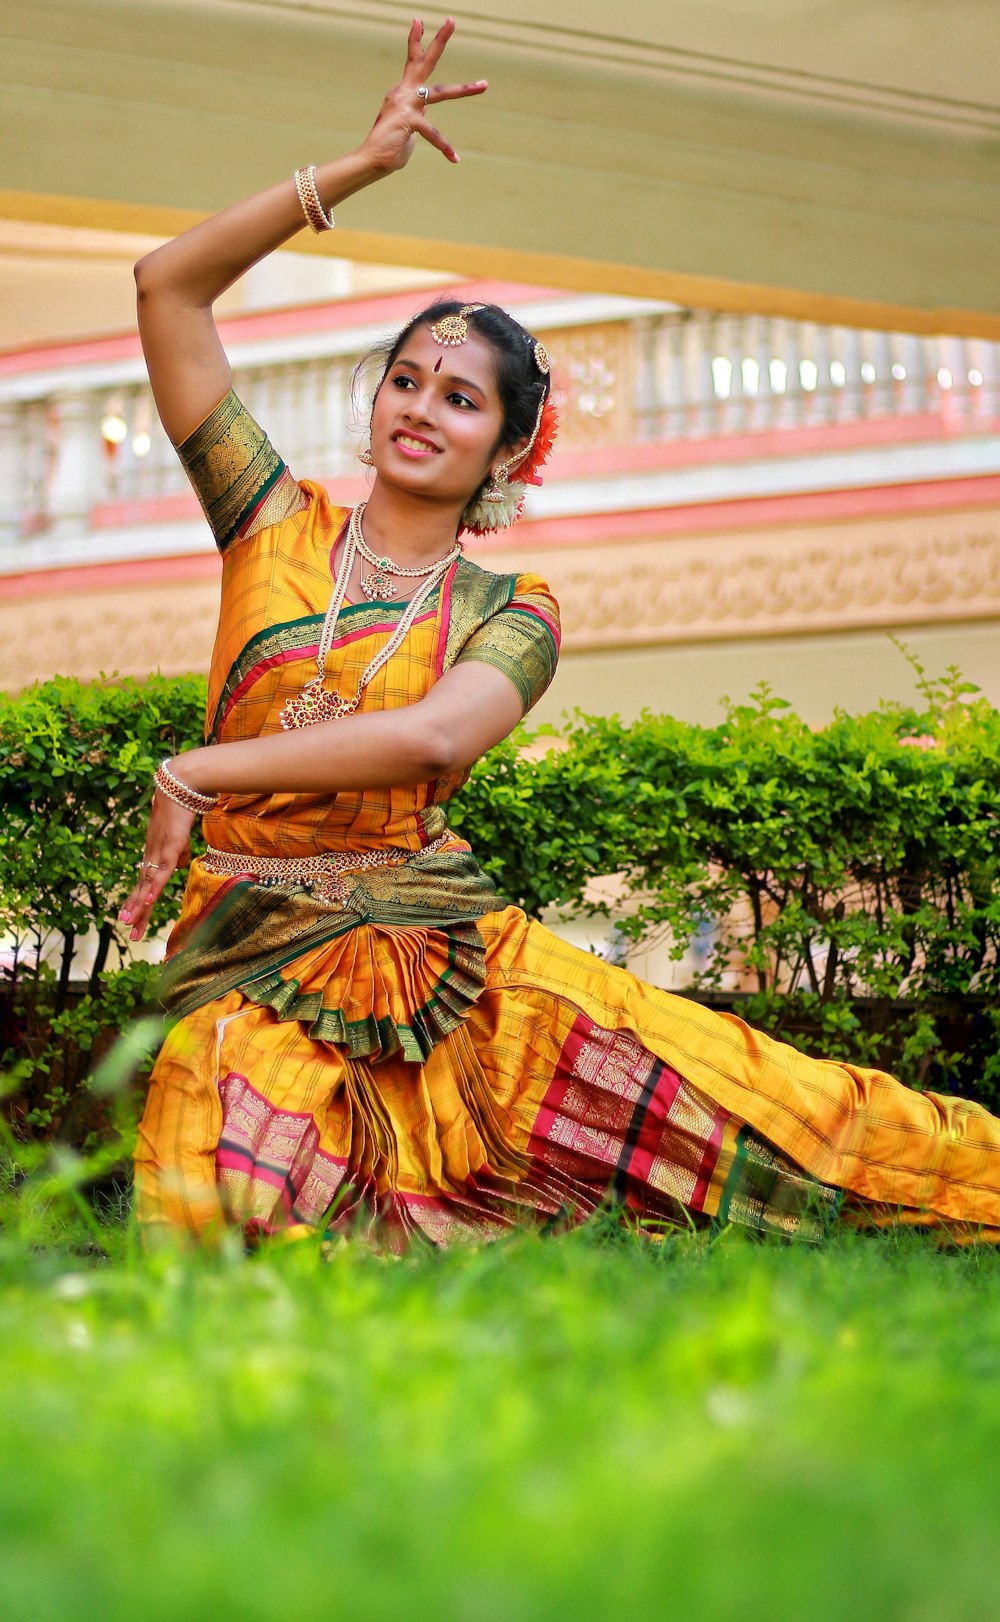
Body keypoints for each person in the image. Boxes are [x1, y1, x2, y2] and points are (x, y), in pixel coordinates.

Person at [124, 18, 1000, 1248]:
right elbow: (168, 284)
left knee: (791, 1124)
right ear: (376, 394)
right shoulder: (270, 520)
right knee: (218, 1191)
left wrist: (200, 768)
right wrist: (355, 171)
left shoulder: (511, 608)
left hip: (458, 966)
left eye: (462, 396)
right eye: (408, 378)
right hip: (252, 958)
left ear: (506, 446)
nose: (423, 407)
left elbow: (431, 741)